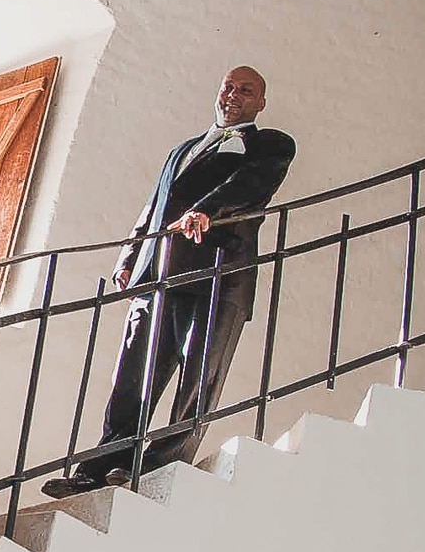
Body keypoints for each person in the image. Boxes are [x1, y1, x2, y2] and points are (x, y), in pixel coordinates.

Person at [43, 66, 295, 498]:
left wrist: (207, 210)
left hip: (217, 275)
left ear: (261, 102)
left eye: (245, 90)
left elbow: (251, 183)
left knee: (197, 379)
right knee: (131, 377)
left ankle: (161, 467)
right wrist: (130, 258)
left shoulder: (270, 143)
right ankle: (103, 467)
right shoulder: (182, 150)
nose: (233, 95)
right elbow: (153, 206)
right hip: (156, 276)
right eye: (228, 87)